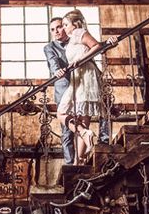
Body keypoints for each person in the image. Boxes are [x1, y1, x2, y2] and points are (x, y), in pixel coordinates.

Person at [55, 9, 118, 164]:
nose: (63, 28)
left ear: (75, 23)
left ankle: (82, 139)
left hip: (85, 75)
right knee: (82, 121)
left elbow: (95, 46)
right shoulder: (73, 37)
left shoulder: (78, 32)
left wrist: (80, 60)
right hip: (79, 76)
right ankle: (79, 159)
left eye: (65, 24)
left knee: (61, 113)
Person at [43, 17, 75, 164]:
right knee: (67, 129)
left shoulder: (75, 40)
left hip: (81, 85)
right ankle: (70, 164)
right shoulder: (49, 47)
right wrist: (57, 71)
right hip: (63, 88)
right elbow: (53, 62)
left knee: (83, 121)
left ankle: (80, 161)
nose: (56, 31)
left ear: (65, 27)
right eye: (52, 29)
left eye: (59, 27)